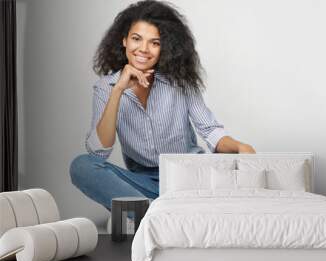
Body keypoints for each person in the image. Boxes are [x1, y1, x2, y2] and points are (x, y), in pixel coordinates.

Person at [69, 0, 255, 212]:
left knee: (228, 179)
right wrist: (118, 90)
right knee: (81, 166)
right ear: (124, 41)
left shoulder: (180, 81)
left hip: (189, 176)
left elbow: (210, 130)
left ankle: (153, 213)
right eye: (136, 39)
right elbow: (98, 154)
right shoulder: (106, 88)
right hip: (144, 184)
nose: (144, 49)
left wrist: (240, 147)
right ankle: (157, 214)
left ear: (164, 48)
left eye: (154, 43)